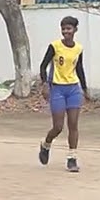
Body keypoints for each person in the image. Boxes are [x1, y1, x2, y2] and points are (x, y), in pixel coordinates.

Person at [37, 15, 90, 173]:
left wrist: (85, 89)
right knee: (58, 126)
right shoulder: (55, 46)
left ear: (75, 30)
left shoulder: (78, 49)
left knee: (73, 124)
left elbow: (79, 68)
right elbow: (43, 66)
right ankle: (46, 144)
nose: (66, 31)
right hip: (58, 88)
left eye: (69, 28)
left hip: (73, 88)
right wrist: (45, 83)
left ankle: (72, 158)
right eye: (64, 28)